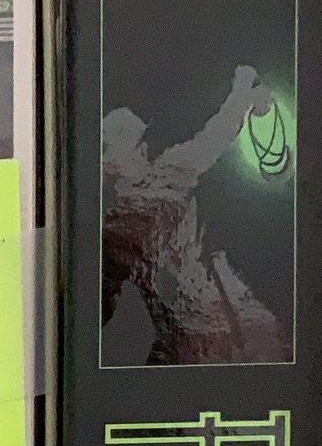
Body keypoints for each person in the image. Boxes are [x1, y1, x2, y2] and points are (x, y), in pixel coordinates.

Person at [101, 63, 286, 365]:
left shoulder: (114, 222)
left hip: (188, 330)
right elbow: (214, 137)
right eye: (138, 144)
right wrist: (243, 87)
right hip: (213, 324)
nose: (145, 149)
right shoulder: (157, 185)